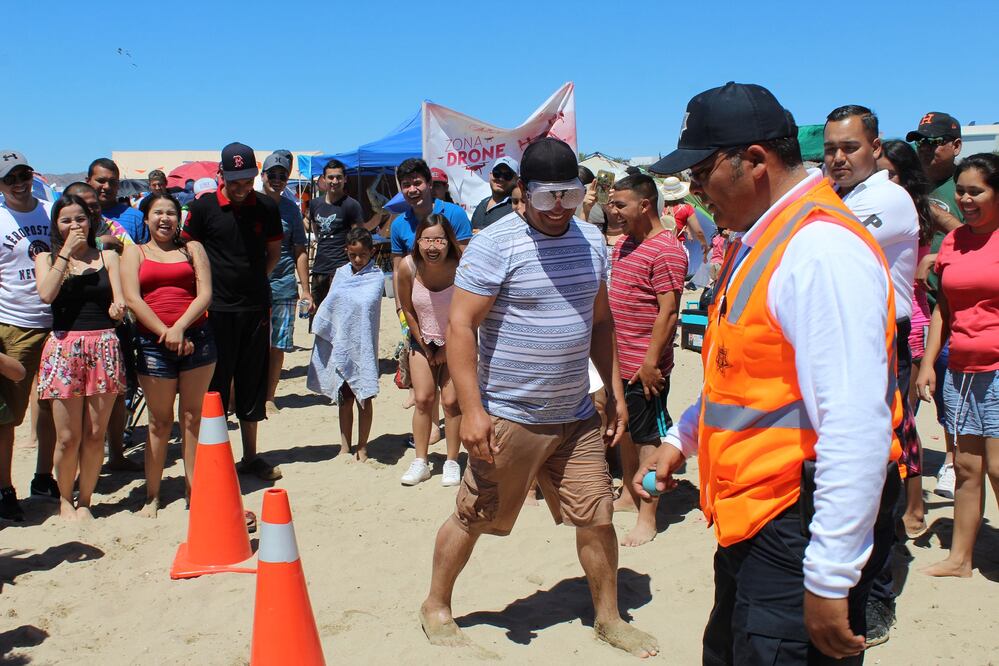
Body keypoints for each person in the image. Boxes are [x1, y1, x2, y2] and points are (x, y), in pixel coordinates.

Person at [640, 82, 902, 664]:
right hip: (753, 523)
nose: (694, 191)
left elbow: (855, 422)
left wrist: (831, 575)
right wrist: (683, 437)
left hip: (795, 523)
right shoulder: (763, 240)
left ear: (756, 160)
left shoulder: (819, 250)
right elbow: (747, 373)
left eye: (703, 172)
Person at [419, 138, 658, 658]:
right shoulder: (494, 244)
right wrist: (474, 411)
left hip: (576, 414)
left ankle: (608, 617)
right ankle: (436, 603)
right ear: (523, 193)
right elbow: (460, 326)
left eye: (569, 197)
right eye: (548, 197)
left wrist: (613, 390)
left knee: (598, 517)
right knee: (473, 516)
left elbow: (600, 321)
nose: (558, 210)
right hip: (510, 415)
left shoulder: (592, 241)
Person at [823, 104, 920, 647]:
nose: (838, 158)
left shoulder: (886, 197)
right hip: (844, 344)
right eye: (831, 149)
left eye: (850, 147)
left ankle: (878, 596)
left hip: (883, 349)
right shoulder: (840, 198)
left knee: (877, 474)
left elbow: (827, 246)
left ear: (876, 148)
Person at [915, 153, 999, 579]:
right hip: (961, 367)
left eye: (976, 191)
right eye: (961, 190)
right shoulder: (952, 242)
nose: (965, 199)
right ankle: (960, 560)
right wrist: (929, 363)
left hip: (998, 367)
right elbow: (943, 309)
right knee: (967, 467)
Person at [181, 142, 283, 481]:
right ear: (221, 175)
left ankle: (251, 456)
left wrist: (254, 282)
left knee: (252, 381)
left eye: (247, 179)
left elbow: (273, 252)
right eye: (235, 180)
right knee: (216, 387)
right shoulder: (204, 208)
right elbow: (189, 250)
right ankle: (217, 458)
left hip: (255, 307)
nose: (241, 187)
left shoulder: (266, 206)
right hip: (215, 311)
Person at [605, 174, 687, 547]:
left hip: (644, 367)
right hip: (619, 361)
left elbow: (669, 312)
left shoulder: (666, 250)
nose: (613, 210)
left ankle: (648, 515)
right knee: (624, 429)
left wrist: (651, 362)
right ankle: (627, 493)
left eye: (620, 204)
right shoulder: (625, 244)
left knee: (647, 440)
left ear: (645, 205)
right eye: (612, 203)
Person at [121, 193, 215, 517]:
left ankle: (194, 490)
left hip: (197, 339)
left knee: (192, 418)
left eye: (171, 213)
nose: (164, 218)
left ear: (179, 218)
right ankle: (152, 495)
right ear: (146, 218)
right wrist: (167, 332)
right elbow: (133, 299)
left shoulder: (193, 249)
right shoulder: (134, 253)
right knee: (159, 422)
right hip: (152, 344)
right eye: (158, 212)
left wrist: (180, 328)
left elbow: (205, 294)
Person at [34, 195, 127, 520]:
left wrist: (118, 310)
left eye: (80, 219)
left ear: (90, 222)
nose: (74, 226)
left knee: (94, 433)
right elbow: (46, 294)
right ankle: (64, 498)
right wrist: (65, 254)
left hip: (102, 345)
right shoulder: (46, 258)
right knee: (68, 436)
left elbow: (118, 303)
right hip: (64, 347)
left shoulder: (108, 256)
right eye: (66, 220)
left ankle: (85, 499)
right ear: (56, 225)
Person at [877, 139, 937, 537]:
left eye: (891, 174)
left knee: (904, 422)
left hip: (909, 323)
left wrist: (939, 260)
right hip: (888, 320)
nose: (883, 181)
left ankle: (913, 507)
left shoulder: (910, 208)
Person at [907, 112, 964, 499]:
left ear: (956, 145)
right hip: (918, 306)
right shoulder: (909, 185)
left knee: (949, 392)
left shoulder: (967, 185)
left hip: (957, 309)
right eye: (922, 142)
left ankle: (951, 462)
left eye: (936, 141)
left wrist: (939, 260)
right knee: (911, 390)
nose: (927, 149)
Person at [391, 159, 472, 427]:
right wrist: (401, 311)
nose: (412, 189)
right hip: (417, 309)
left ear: (429, 184)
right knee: (424, 387)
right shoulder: (399, 224)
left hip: (452, 310)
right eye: (406, 185)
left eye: (417, 182)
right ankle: (432, 430)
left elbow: (466, 263)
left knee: (451, 392)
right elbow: (397, 269)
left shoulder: (454, 215)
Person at [0, 150, 58, 521]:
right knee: (7, 416)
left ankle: (43, 476)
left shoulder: (50, 211)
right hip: (13, 324)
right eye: (10, 178)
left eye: (23, 174)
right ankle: (5, 488)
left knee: (54, 406)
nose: (19, 183)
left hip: (55, 321)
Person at [86, 158, 145, 475]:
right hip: (83, 314)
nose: (105, 186)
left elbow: (144, 258)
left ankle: (118, 452)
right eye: (100, 180)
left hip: (122, 314)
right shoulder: (75, 211)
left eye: (111, 180)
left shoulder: (134, 218)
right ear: (89, 180)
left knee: (121, 384)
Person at [396, 214, 462, 486]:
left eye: (439, 240)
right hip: (421, 338)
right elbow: (407, 309)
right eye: (427, 240)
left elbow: (467, 311)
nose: (433, 246)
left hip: (456, 338)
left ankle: (451, 461)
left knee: (451, 402)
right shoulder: (407, 267)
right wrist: (423, 344)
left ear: (449, 242)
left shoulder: (462, 267)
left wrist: (446, 347)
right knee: (423, 399)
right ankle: (421, 460)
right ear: (418, 241)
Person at [307, 227, 383, 461]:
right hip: (340, 344)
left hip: (363, 346)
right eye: (353, 255)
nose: (358, 260)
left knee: (364, 397)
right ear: (346, 252)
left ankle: (363, 446)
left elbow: (367, 307)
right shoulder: (339, 274)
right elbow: (331, 305)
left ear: (372, 251)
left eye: (362, 255)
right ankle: (344, 445)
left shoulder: (377, 276)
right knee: (344, 398)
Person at [261, 152, 312, 414]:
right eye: (273, 175)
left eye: (283, 176)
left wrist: (305, 289)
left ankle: (269, 396)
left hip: (283, 285)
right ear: (263, 176)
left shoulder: (291, 209)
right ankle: (244, 395)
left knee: (277, 344)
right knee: (251, 344)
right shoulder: (250, 204)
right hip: (253, 288)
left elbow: (300, 250)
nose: (278, 180)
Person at [307, 159, 365, 311]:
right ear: (324, 179)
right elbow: (315, 229)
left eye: (338, 177)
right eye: (331, 177)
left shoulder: (352, 205)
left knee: (341, 319)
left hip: (342, 270)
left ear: (345, 179)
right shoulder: (314, 204)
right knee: (319, 319)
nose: (335, 181)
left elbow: (358, 238)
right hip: (319, 270)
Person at [470, 157, 519, 231]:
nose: (501, 178)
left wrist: (484, 235)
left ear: (516, 180)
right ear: (490, 174)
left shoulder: (517, 207)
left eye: (507, 175)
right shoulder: (482, 204)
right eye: (497, 173)